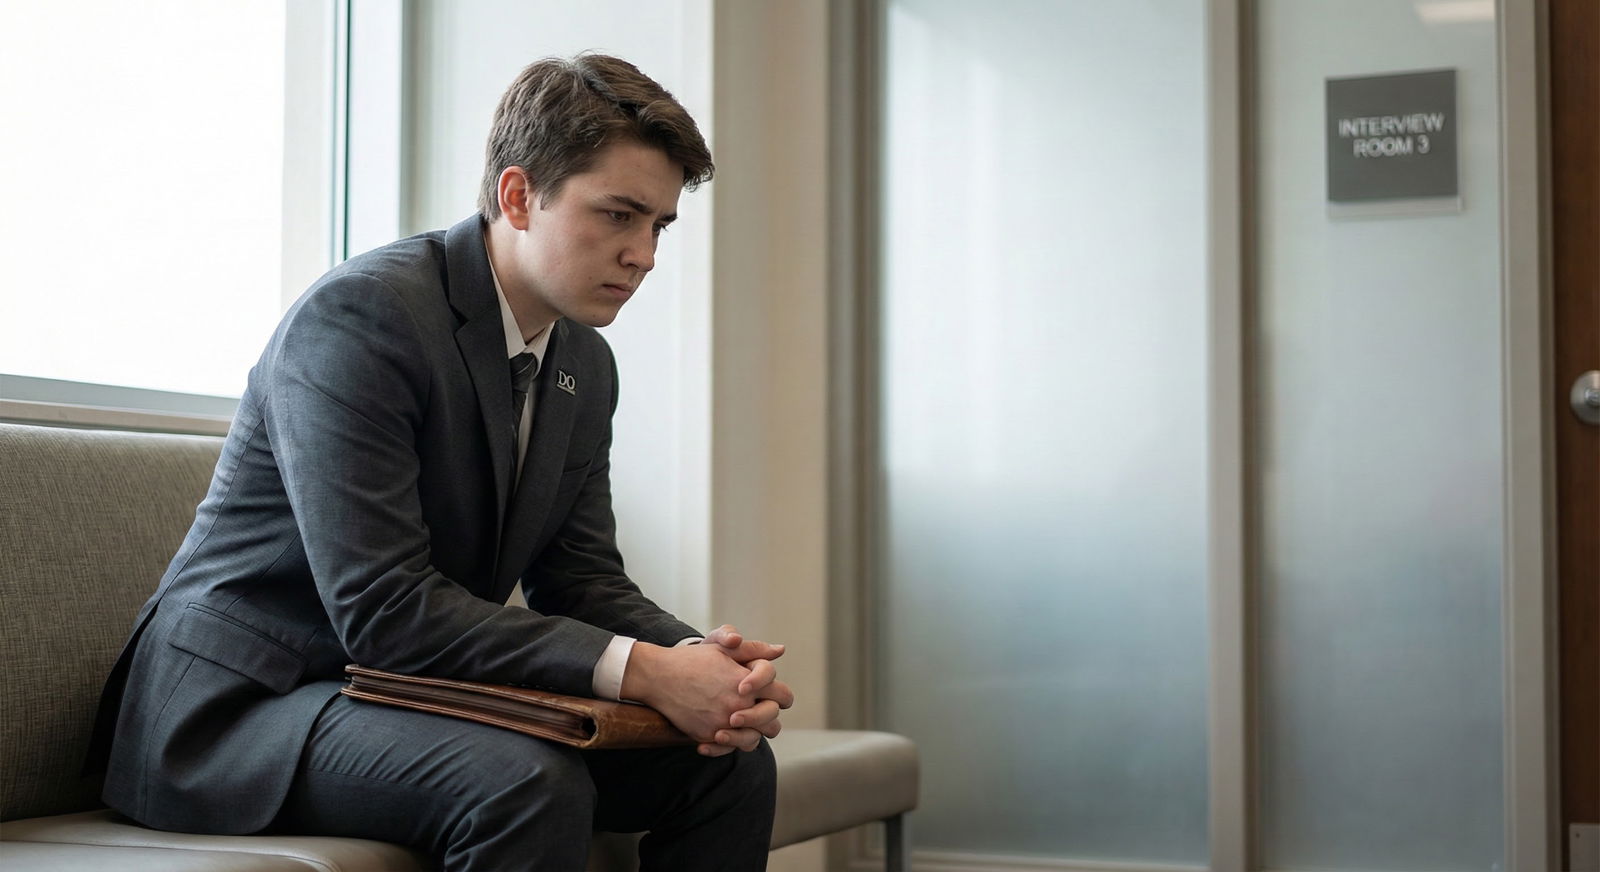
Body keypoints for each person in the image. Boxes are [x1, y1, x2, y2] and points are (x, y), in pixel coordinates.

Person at [87, 53, 791, 871]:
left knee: (726, 766)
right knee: (524, 782)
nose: (645, 255)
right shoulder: (361, 318)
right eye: (619, 215)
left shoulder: (584, 364)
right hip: (244, 710)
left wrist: (703, 667)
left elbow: (584, 579)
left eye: (659, 225)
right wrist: (645, 673)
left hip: (406, 694)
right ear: (518, 195)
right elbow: (383, 606)